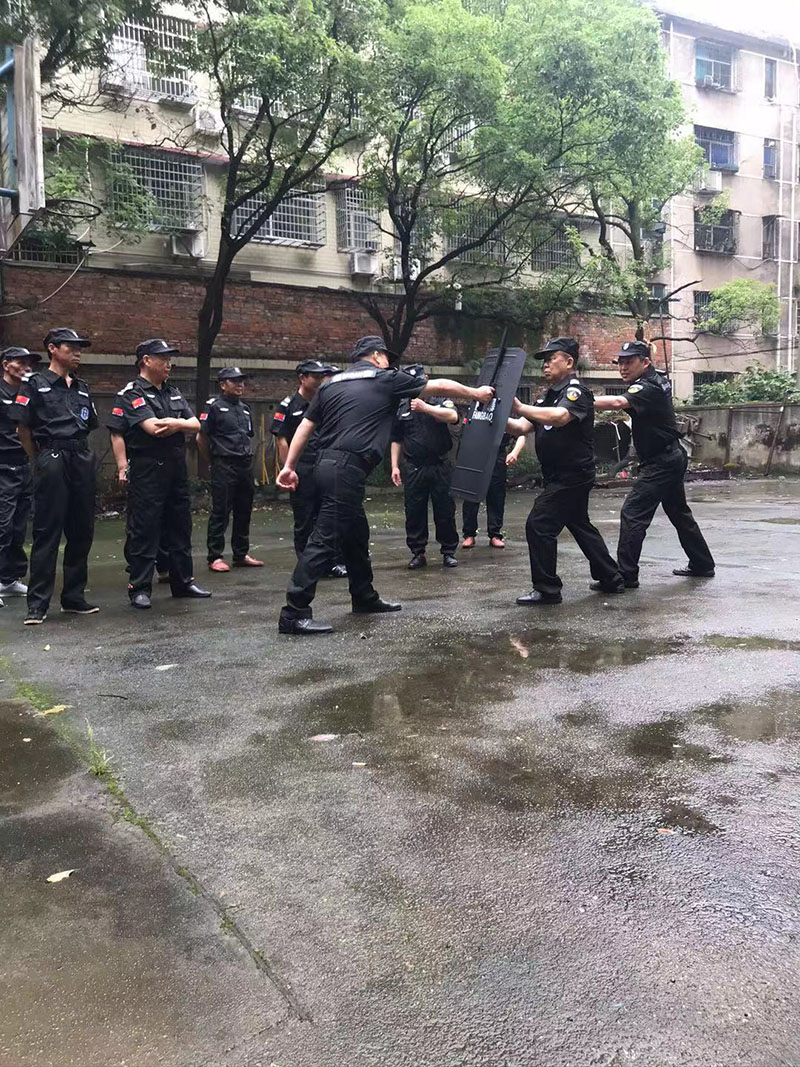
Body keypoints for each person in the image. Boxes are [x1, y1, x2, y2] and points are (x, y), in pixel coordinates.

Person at [276, 335, 495, 635]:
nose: (390, 362)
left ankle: (363, 596)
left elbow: (306, 425)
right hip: (346, 468)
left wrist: (289, 466)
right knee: (324, 539)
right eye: (387, 357)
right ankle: (293, 612)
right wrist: (476, 393)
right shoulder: (384, 379)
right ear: (377, 356)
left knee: (356, 535)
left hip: (327, 466)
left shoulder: (331, 384)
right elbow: (440, 385)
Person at [507, 337, 623, 605]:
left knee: (539, 524)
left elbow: (560, 417)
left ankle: (547, 589)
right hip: (557, 475)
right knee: (579, 524)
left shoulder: (576, 392)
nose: (545, 365)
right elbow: (522, 427)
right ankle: (611, 577)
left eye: (551, 359)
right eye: (544, 361)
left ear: (569, 362)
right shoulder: (548, 397)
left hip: (572, 475)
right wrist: (497, 416)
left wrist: (520, 406)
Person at [593, 340, 715, 587]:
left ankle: (626, 575)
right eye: (620, 363)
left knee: (633, 512)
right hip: (670, 456)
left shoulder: (647, 386)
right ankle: (702, 563)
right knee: (678, 513)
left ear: (645, 362)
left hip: (662, 462)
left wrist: (577, 400)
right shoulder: (654, 380)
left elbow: (617, 403)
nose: (623, 368)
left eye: (629, 362)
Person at [107, 338, 211, 610]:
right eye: (163, 358)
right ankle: (140, 587)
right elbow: (154, 429)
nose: (169, 364)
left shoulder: (172, 392)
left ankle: (183, 582)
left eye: (169, 359)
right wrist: (181, 424)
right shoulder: (132, 393)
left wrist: (176, 423)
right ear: (146, 361)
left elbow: (196, 424)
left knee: (180, 525)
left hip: (176, 465)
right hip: (148, 467)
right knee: (145, 527)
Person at [9, 327, 99, 625]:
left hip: (80, 457)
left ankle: (74, 597)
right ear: (52, 349)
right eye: (71, 347)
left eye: (79, 348)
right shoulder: (34, 383)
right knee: (47, 531)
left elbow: (90, 424)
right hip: (52, 455)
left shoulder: (82, 387)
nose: (77, 352)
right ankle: (38, 604)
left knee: (81, 529)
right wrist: (39, 459)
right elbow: (22, 428)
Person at [270, 359, 347, 579]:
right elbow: (282, 440)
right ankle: (307, 565)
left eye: (322, 376)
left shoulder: (323, 402)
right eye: (315, 376)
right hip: (302, 468)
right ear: (302, 378)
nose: (320, 380)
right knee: (304, 518)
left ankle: (331, 562)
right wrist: (289, 468)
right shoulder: (288, 405)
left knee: (327, 516)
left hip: (324, 464)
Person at [389, 364, 459, 569]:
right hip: (414, 467)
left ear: (426, 379)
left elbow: (453, 417)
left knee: (445, 510)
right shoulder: (402, 405)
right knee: (414, 511)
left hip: (439, 465)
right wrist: (394, 466)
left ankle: (448, 551)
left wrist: (425, 408)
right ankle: (418, 552)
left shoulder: (441, 400)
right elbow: (396, 438)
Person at [197, 366, 263, 572]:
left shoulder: (245, 408)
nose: (240, 385)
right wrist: (213, 461)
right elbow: (201, 437)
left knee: (244, 510)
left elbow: (248, 436)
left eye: (241, 381)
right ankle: (215, 556)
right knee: (221, 511)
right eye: (234, 381)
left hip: (244, 464)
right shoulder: (214, 407)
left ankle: (241, 553)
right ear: (223, 385)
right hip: (224, 464)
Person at [0, 346, 40, 606]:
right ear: (6, 365)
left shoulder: (29, 394)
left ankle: (9, 579)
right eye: (21, 363)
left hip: (23, 464)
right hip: (2, 465)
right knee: (2, 524)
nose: (27, 368)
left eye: (29, 364)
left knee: (18, 525)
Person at [461, 433, 525, 549]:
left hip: (497, 455)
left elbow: (521, 435)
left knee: (496, 496)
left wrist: (514, 452)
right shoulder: (475, 419)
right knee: (471, 496)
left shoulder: (506, 420)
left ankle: (495, 534)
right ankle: (469, 535)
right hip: (475, 455)